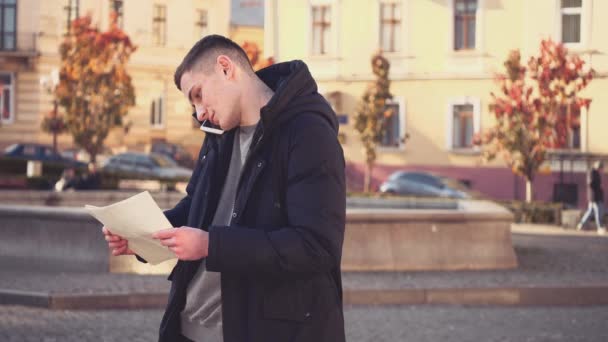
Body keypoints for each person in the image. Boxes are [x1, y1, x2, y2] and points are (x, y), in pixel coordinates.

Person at [102, 35, 346, 342]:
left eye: (198, 95)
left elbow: (316, 247)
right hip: (188, 329)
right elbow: (196, 209)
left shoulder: (308, 133)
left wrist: (210, 245)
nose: (200, 113)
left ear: (226, 68)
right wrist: (142, 235)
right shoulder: (219, 133)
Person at [577, 160, 606, 235]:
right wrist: (598, 187)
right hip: (594, 197)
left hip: (594, 196)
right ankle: (600, 227)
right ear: (598, 167)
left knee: (590, 211)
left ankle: (581, 224)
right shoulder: (592, 172)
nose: (601, 170)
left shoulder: (595, 173)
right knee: (598, 212)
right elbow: (590, 183)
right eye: (600, 168)